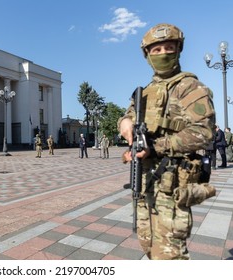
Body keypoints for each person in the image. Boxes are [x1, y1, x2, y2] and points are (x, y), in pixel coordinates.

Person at [118, 23, 215, 260]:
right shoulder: (144, 93)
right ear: (147, 55)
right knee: (148, 244)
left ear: (178, 50)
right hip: (144, 181)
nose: (163, 54)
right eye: (156, 50)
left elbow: (204, 132)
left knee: (170, 254)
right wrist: (124, 123)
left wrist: (156, 147)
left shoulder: (190, 87)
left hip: (171, 184)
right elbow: (129, 116)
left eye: (168, 48)